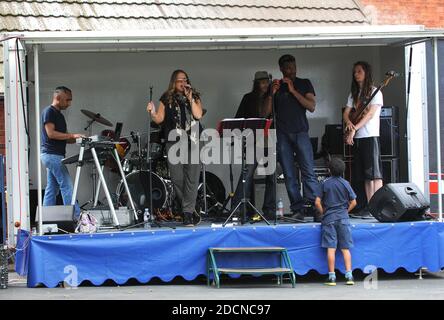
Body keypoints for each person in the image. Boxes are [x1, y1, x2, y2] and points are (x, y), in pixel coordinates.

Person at [147, 70, 204, 227]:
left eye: (185, 79)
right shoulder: (166, 98)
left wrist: (190, 97)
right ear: (173, 82)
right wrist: (152, 112)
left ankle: (187, 213)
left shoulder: (195, 96)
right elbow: (159, 119)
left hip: (193, 141)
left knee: (192, 179)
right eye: (179, 80)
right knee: (177, 178)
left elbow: (198, 115)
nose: (182, 82)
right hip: (173, 142)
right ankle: (191, 207)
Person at [271, 54, 320, 222]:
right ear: (282, 69)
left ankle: (316, 207)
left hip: (301, 132)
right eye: (288, 68)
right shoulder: (276, 87)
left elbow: (311, 106)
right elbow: (265, 113)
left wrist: (292, 90)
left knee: (308, 172)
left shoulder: (304, 83)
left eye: (294, 67)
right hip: (282, 134)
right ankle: (297, 209)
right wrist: (272, 93)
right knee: (289, 175)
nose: (292, 70)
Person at [231, 71, 275, 221]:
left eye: (266, 82)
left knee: (272, 174)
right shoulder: (248, 98)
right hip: (253, 141)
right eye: (262, 82)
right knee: (247, 173)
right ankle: (238, 209)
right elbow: (238, 119)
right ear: (256, 83)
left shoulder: (274, 97)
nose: (265, 85)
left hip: (270, 140)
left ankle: (269, 209)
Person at [343, 61, 384, 217]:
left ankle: (378, 206)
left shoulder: (375, 92)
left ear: (366, 73)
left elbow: (370, 114)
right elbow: (346, 113)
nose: (356, 74)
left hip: (370, 135)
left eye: (359, 71)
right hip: (359, 136)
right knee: (365, 175)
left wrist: (354, 128)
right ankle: (368, 205)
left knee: (375, 174)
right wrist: (349, 123)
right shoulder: (354, 94)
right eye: (354, 72)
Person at [41, 86, 84, 221]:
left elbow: (63, 138)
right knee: (67, 186)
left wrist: (77, 139)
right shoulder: (49, 112)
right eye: (68, 100)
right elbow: (51, 134)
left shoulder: (58, 115)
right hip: (52, 155)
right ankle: (75, 218)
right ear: (58, 98)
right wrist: (72, 135)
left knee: (51, 189)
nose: (69, 103)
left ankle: (45, 220)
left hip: (53, 155)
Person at [314, 157, 357, 286]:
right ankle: (349, 275)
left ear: (329, 170)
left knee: (331, 249)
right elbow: (354, 202)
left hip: (329, 220)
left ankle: (332, 277)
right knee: (345, 249)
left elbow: (317, 202)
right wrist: (345, 211)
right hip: (343, 219)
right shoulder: (346, 183)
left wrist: (323, 213)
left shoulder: (325, 183)